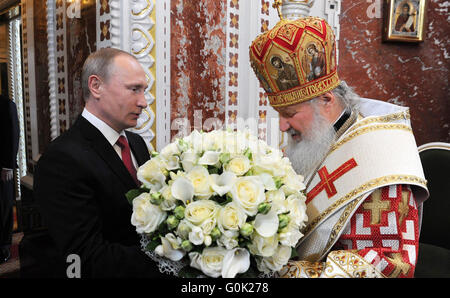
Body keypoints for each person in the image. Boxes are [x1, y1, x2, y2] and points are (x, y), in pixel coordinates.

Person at [250, 16, 428, 277]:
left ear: (326, 99)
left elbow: (388, 266)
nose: (282, 126)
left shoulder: (383, 157)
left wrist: (282, 271)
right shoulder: (316, 139)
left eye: (290, 113)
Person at [24, 48, 166, 278]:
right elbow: (84, 258)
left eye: (144, 91)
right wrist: (174, 259)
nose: (143, 102)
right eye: (134, 89)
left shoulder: (136, 143)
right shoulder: (61, 160)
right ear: (96, 86)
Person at [0, 94, 20, 264]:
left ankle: (4, 247)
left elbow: (13, 134)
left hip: (2, 169)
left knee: (3, 208)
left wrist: (8, 165)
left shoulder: (6, 104)